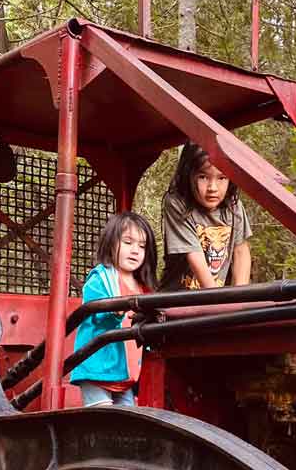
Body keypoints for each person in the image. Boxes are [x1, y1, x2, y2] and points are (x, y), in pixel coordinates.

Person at [70, 212, 158, 406]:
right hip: (97, 369)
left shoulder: (143, 288)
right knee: (106, 423)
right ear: (111, 244)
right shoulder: (101, 279)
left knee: (126, 425)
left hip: (125, 375)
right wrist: (114, 309)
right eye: (128, 242)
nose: (135, 250)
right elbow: (96, 308)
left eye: (142, 246)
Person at [159, 142, 253, 290]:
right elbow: (194, 256)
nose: (213, 188)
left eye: (222, 178)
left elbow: (241, 251)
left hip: (214, 300)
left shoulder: (234, 206)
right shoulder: (177, 204)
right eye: (203, 177)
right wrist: (218, 301)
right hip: (177, 302)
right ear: (188, 174)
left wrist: (239, 299)